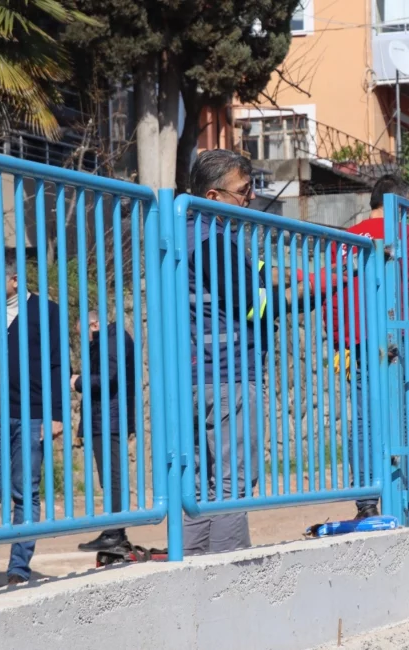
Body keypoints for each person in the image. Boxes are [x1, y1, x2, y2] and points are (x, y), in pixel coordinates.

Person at [0, 253, 64, 593]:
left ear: (15, 279)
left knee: (26, 493)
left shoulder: (46, 313)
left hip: (31, 414)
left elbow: (56, 365)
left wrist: (57, 415)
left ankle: (19, 569)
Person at [184, 149, 269, 555]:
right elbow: (249, 302)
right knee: (235, 482)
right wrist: (270, 280)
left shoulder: (181, 231)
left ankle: (195, 571)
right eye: (244, 190)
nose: (250, 198)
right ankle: (230, 578)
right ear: (214, 197)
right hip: (229, 375)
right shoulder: (213, 239)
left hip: (196, 378)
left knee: (199, 485)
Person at [326, 174, 409, 520]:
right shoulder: (408, 235)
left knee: (365, 420)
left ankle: (367, 502)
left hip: (359, 343)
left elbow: (332, 295)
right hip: (403, 338)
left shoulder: (347, 237)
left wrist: (339, 341)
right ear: (402, 202)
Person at [72, 311, 136, 553]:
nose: (85, 341)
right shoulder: (112, 338)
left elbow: (108, 377)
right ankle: (114, 530)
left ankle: (114, 532)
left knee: (112, 475)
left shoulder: (111, 339)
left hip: (109, 417)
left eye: (85, 334)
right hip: (107, 416)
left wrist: (77, 381)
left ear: (95, 324)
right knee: (110, 475)